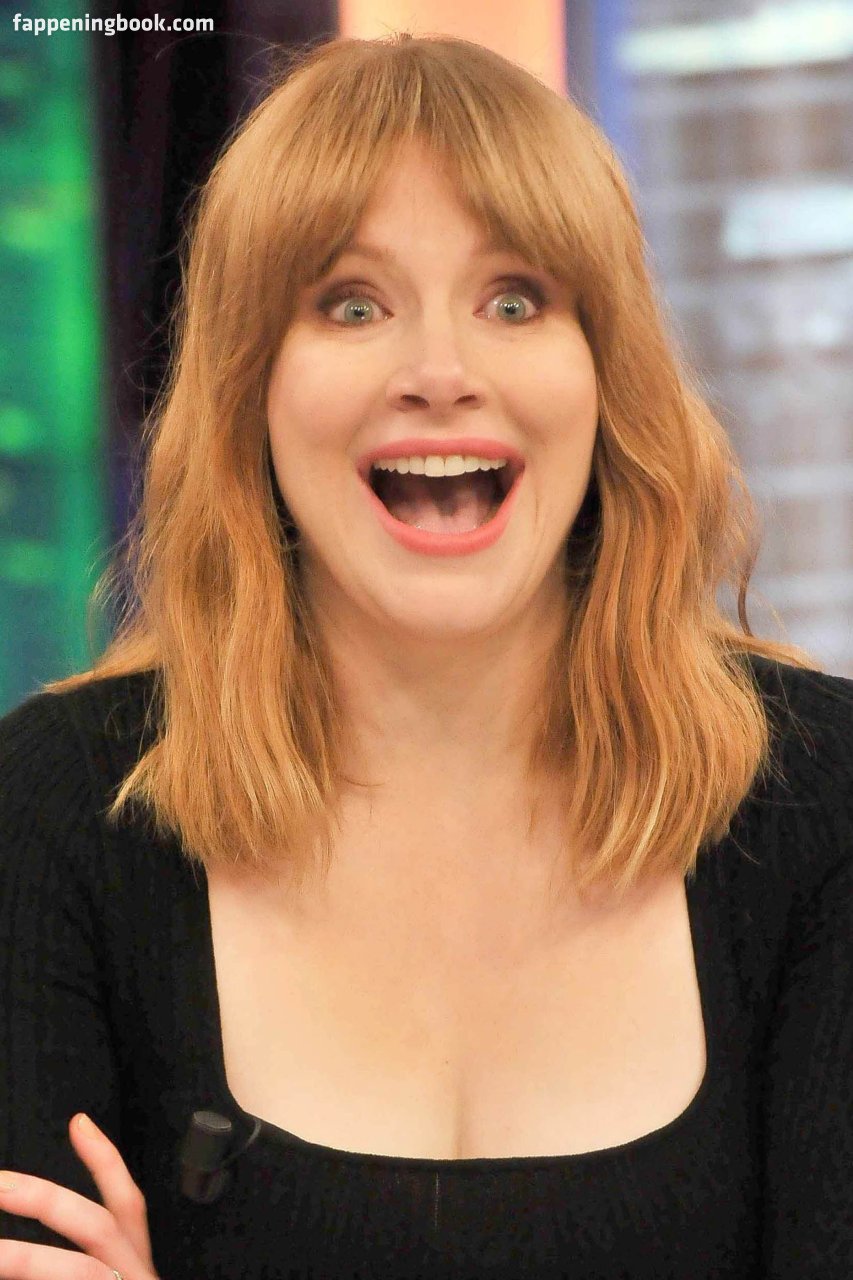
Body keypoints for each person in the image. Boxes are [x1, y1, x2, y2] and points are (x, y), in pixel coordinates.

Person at [1, 30, 851, 1280]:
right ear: (248, 386)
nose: (440, 373)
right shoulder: (54, 806)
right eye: (351, 304)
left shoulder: (825, 798)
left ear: (607, 372)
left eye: (515, 300)